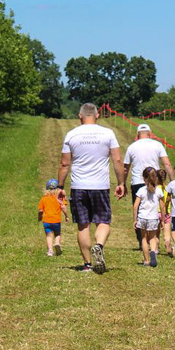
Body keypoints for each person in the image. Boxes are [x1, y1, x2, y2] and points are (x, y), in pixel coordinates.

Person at [57, 103, 126, 274]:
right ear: (98, 115)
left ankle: (87, 264)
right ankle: (99, 245)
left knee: (83, 225)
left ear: (80, 116)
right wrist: (121, 182)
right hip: (100, 186)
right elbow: (117, 160)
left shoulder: (71, 135)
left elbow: (65, 163)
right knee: (103, 221)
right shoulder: (108, 134)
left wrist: (60, 186)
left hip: (79, 186)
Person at [123, 124, 172, 249]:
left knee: (139, 210)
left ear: (137, 134)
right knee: (155, 209)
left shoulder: (132, 147)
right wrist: (172, 181)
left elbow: (126, 168)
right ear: (150, 133)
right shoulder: (157, 145)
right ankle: (153, 240)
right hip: (154, 181)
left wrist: (122, 183)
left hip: (137, 182)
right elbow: (166, 163)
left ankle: (142, 240)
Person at [133, 167, 164, 268]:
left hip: (142, 217)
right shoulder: (158, 191)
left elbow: (135, 206)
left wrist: (135, 219)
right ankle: (153, 254)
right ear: (156, 178)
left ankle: (146, 261)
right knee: (152, 238)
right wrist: (162, 220)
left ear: (143, 178)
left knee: (144, 238)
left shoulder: (141, 190)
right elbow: (162, 207)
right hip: (153, 218)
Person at [38, 178, 69, 256]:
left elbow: (41, 211)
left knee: (48, 236)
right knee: (57, 234)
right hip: (56, 221)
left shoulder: (44, 198)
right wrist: (66, 216)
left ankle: (50, 251)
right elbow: (63, 207)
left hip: (46, 221)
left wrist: (39, 217)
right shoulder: (59, 198)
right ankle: (57, 242)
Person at [157, 168, 173, 257]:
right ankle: (167, 244)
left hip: (156, 213)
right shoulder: (168, 189)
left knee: (156, 233)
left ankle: (156, 248)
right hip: (166, 213)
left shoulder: (154, 189)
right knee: (167, 233)